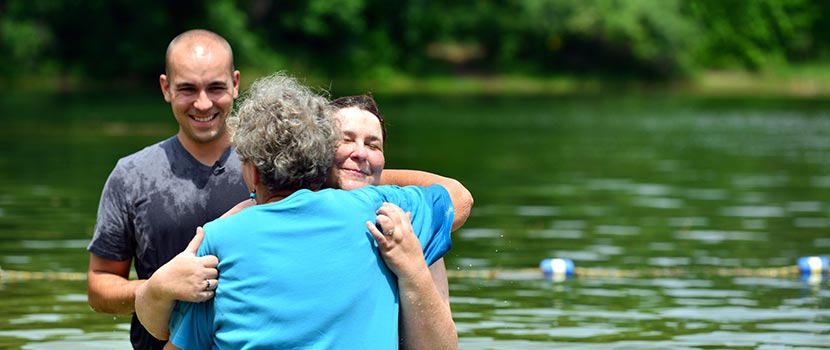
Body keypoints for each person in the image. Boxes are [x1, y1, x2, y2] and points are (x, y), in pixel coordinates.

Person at [137, 94, 471, 349]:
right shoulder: (235, 225)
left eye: (373, 145)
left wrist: (412, 267)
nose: (361, 153)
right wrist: (160, 286)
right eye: (347, 140)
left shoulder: (402, 224)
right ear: (318, 151)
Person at [86, 29, 247, 350]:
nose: (203, 104)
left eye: (215, 88)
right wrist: (156, 289)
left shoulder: (271, 168)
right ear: (165, 88)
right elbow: (98, 286)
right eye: (187, 89)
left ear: (236, 84)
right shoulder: (131, 175)